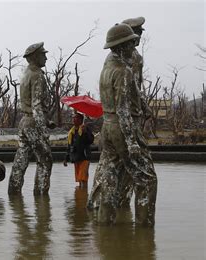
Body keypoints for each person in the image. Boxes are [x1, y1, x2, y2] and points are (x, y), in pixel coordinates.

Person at [87, 23, 157, 226]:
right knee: (147, 180)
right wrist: (132, 141)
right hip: (121, 128)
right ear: (122, 46)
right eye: (130, 42)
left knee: (110, 180)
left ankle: (104, 231)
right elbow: (123, 110)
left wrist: (143, 105)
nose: (133, 45)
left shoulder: (106, 69)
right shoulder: (123, 71)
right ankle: (144, 234)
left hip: (107, 127)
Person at [8, 42, 56, 195]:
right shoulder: (37, 76)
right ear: (35, 57)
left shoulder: (26, 73)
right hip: (34, 123)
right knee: (45, 159)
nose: (46, 58)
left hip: (25, 122)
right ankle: (41, 198)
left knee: (21, 159)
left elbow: (29, 104)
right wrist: (43, 129)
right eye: (43, 54)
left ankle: (14, 194)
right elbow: (36, 106)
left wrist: (47, 121)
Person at [117, 16, 152, 208]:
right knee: (125, 162)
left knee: (126, 165)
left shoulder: (137, 57)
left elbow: (135, 87)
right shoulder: (119, 57)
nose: (138, 36)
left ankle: (123, 203)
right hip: (123, 115)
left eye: (139, 33)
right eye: (136, 32)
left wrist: (143, 104)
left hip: (135, 113)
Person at [63, 113, 94, 188]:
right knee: (79, 179)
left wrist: (85, 133)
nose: (73, 120)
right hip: (76, 157)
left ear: (81, 120)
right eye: (73, 118)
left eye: (76, 118)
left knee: (83, 178)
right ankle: (80, 196)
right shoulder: (72, 132)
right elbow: (69, 146)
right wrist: (66, 159)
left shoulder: (85, 129)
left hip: (84, 157)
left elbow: (90, 141)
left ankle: (83, 194)